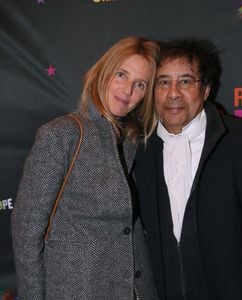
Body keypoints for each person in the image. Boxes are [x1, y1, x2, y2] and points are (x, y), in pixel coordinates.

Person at [134, 38, 242, 300]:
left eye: (186, 81)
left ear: (207, 89)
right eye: (163, 82)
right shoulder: (137, 150)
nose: (173, 93)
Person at [11, 36, 159, 299]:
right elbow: (27, 232)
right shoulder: (61, 135)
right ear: (102, 72)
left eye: (140, 84)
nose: (128, 90)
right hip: (78, 289)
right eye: (121, 75)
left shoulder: (132, 142)